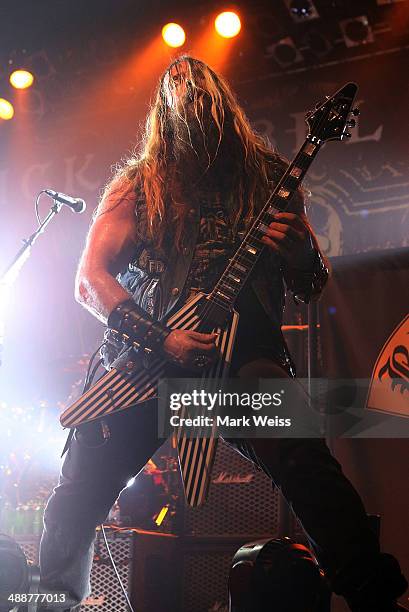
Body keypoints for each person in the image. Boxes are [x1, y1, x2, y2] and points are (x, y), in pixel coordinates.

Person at [38, 56, 407, 612]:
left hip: (241, 356)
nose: (190, 98)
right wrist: (160, 338)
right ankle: (50, 604)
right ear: (162, 110)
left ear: (222, 101)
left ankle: (374, 596)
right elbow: (90, 281)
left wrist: (302, 250)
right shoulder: (139, 184)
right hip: (142, 362)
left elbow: (308, 283)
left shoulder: (268, 177)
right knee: (76, 499)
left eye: (201, 88)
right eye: (178, 89)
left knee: (307, 466)